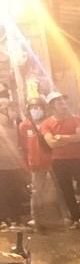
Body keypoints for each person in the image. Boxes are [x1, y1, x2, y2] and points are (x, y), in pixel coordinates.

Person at [41, 92, 80, 226]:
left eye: (64, 102)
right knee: (67, 191)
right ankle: (76, 217)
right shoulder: (46, 123)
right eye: (60, 103)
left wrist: (61, 137)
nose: (63, 105)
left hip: (77, 159)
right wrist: (71, 138)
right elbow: (51, 143)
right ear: (52, 106)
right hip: (59, 161)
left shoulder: (75, 119)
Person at [19, 98, 55, 227]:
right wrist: (25, 164)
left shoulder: (49, 123)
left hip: (53, 162)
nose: (36, 110)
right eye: (33, 108)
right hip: (35, 164)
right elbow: (23, 146)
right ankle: (36, 218)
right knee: (36, 192)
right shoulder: (24, 126)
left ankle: (64, 216)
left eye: (38, 107)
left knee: (58, 190)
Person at [0, 96, 24, 227]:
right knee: (3, 193)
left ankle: (16, 218)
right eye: (6, 107)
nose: (11, 110)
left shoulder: (14, 125)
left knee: (16, 192)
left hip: (14, 165)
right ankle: (3, 219)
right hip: (2, 166)